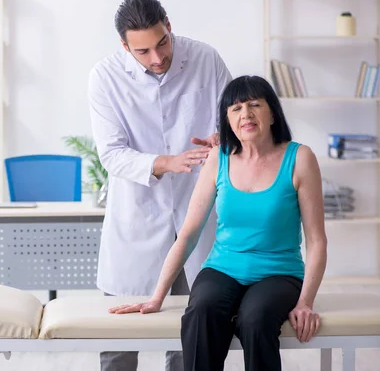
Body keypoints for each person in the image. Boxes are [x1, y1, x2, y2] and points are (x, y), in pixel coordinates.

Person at [109, 75, 328, 371]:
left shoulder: (299, 157)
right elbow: (188, 233)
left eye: (254, 105)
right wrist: (156, 296)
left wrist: (305, 303)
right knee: (201, 312)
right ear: (227, 119)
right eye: (235, 108)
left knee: (256, 319)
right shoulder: (219, 157)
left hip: (279, 273)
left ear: (272, 113)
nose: (246, 114)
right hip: (223, 268)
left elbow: (316, 241)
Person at [88, 0, 232, 371]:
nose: (156, 57)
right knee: (118, 345)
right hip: (136, 220)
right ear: (124, 46)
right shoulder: (105, 77)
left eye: (162, 42)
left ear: (168, 24)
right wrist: (165, 162)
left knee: (188, 339)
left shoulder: (206, 59)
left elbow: (235, 120)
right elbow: (112, 154)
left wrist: (224, 138)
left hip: (196, 215)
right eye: (142, 51)